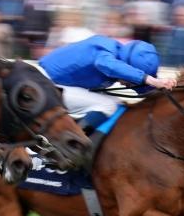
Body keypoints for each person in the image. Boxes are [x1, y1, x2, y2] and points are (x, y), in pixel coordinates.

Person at [38, 36, 175, 158]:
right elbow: (105, 64)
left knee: (117, 102)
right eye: (131, 82)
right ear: (126, 65)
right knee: (107, 105)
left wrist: (163, 88)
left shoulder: (115, 51)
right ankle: (67, 147)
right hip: (45, 85)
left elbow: (144, 89)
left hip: (53, 84)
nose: (128, 86)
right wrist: (151, 80)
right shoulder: (106, 53)